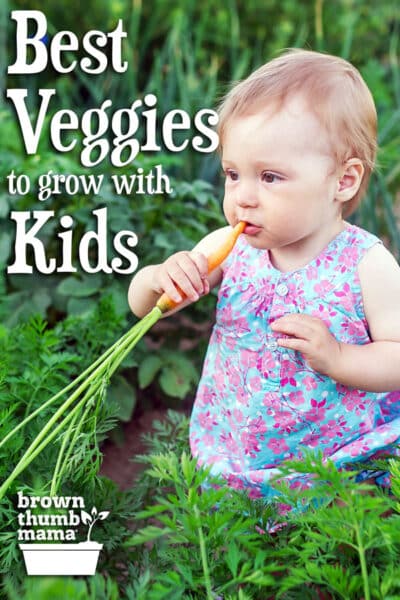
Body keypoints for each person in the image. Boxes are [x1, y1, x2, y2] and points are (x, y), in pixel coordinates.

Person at [128, 49, 400, 501]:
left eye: (270, 177)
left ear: (344, 181)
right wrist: (159, 278)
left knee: (319, 548)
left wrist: (338, 358)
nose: (243, 197)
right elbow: (143, 307)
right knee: (237, 539)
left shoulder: (366, 264)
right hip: (236, 445)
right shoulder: (230, 250)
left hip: (331, 463)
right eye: (233, 174)